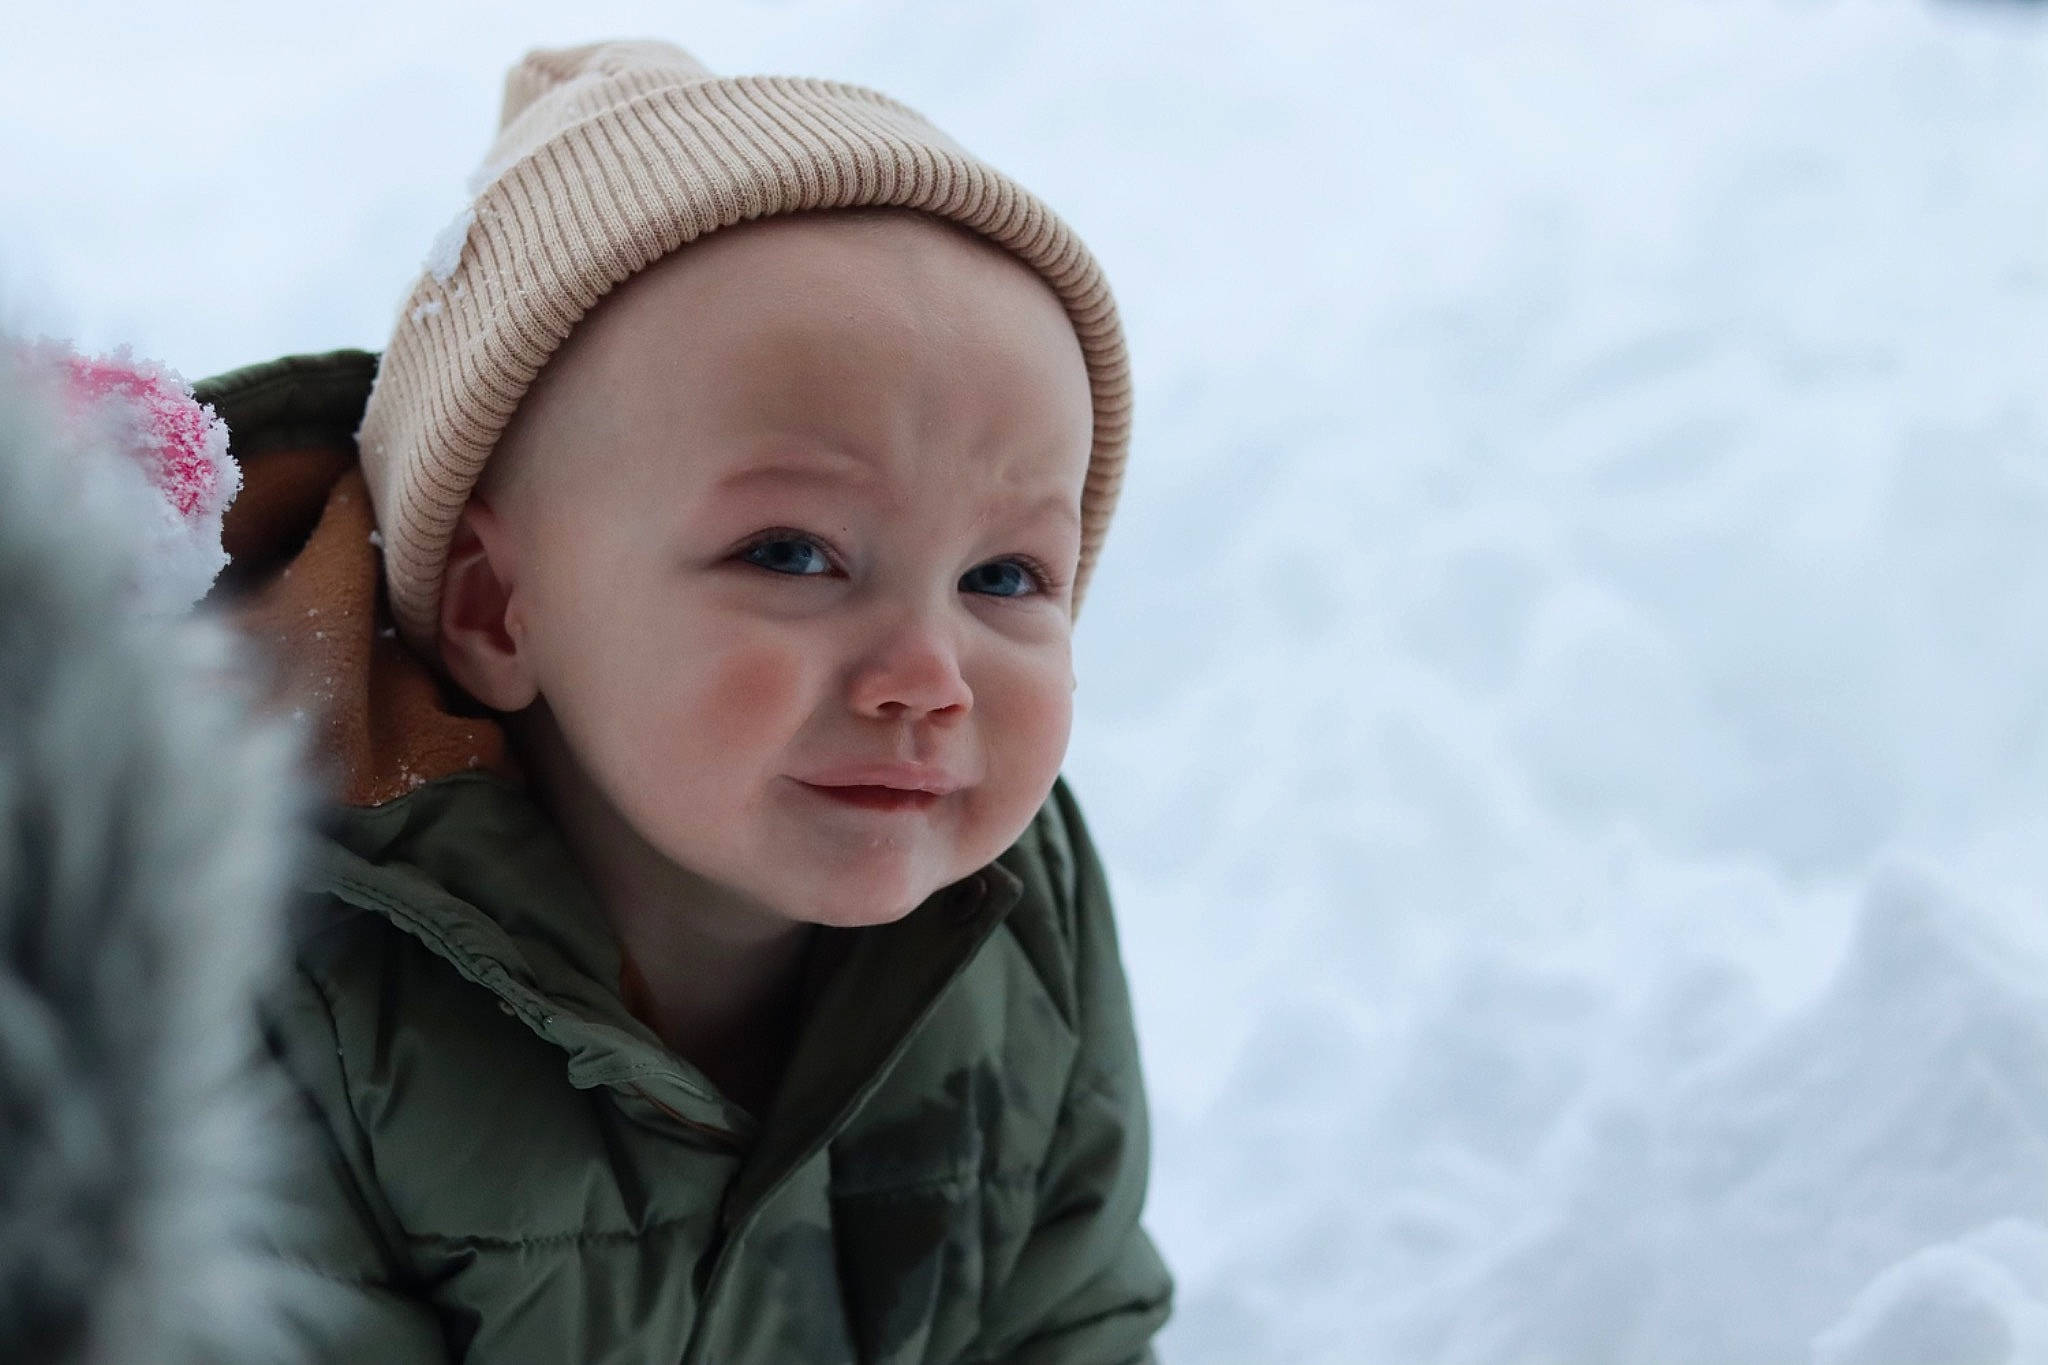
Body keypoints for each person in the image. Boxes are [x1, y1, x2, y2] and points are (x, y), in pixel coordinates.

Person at [202, 39, 1172, 1363]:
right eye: (791, 553)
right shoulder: (278, 982)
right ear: (499, 608)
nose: (926, 678)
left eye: (1005, 573)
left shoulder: (1020, 912)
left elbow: (1071, 1312)